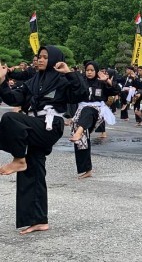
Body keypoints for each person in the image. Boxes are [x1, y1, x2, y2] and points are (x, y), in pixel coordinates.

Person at [0, 46, 86, 234]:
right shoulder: (32, 81)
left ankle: (18, 159)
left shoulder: (63, 80)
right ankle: (38, 220)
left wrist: (70, 73)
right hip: (33, 124)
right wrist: (1, 81)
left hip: (50, 125)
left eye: (45, 57)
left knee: (9, 118)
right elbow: (13, 98)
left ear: (55, 59)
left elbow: (81, 94)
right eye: (39, 56)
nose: (40, 59)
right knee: (33, 168)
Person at [69, 61, 120, 178]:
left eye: (92, 70)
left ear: (96, 71)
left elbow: (116, 90)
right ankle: (86, 170)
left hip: (97, 110)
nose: (90, 72)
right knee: (81, 141)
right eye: (87, 70)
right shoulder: (82, 82)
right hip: (82, 110)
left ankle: (79, 131)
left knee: (87, 111)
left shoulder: (101, 82)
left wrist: (107, 81)